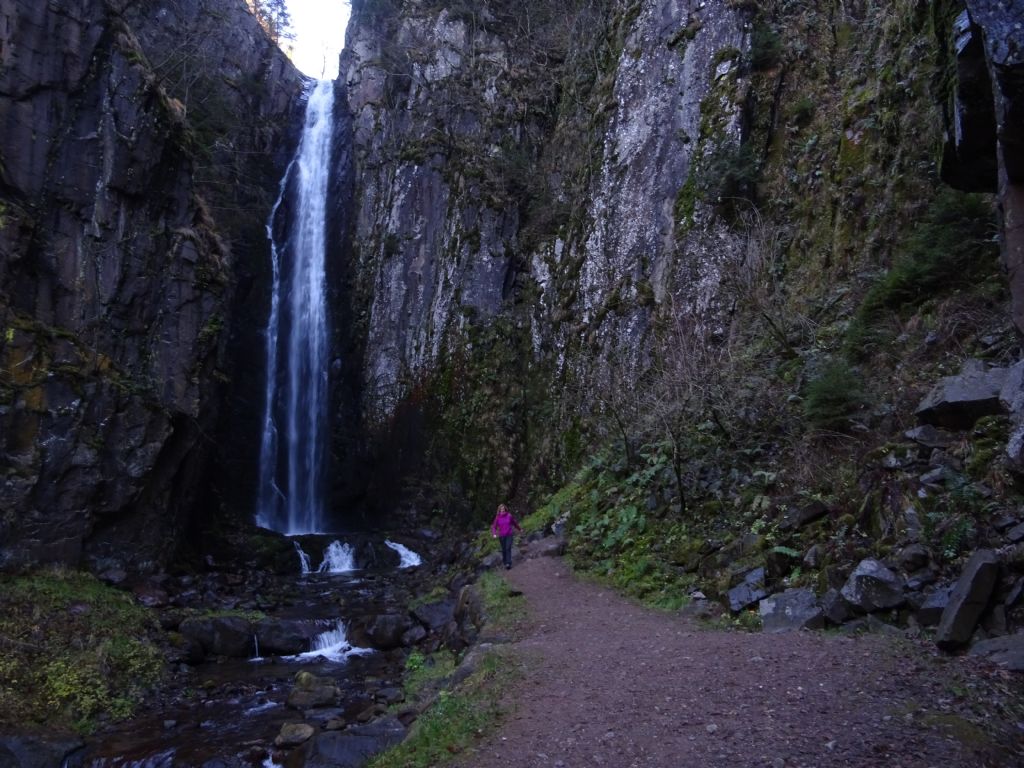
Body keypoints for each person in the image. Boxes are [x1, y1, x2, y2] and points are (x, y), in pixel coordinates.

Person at [490, 503, 521, 570]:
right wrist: (494, 534)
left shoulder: (509, 516)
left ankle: (508, 563)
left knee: (508, 548)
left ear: (505, 509)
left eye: (503, 509)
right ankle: (505, 562)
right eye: (501, 509)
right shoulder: (497, 517)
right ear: (499, 510)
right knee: (504, 550)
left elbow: (514, 523)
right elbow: (494, 527)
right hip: (502, 536)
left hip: (509, 535)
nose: (502, 510)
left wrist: (520, 529)